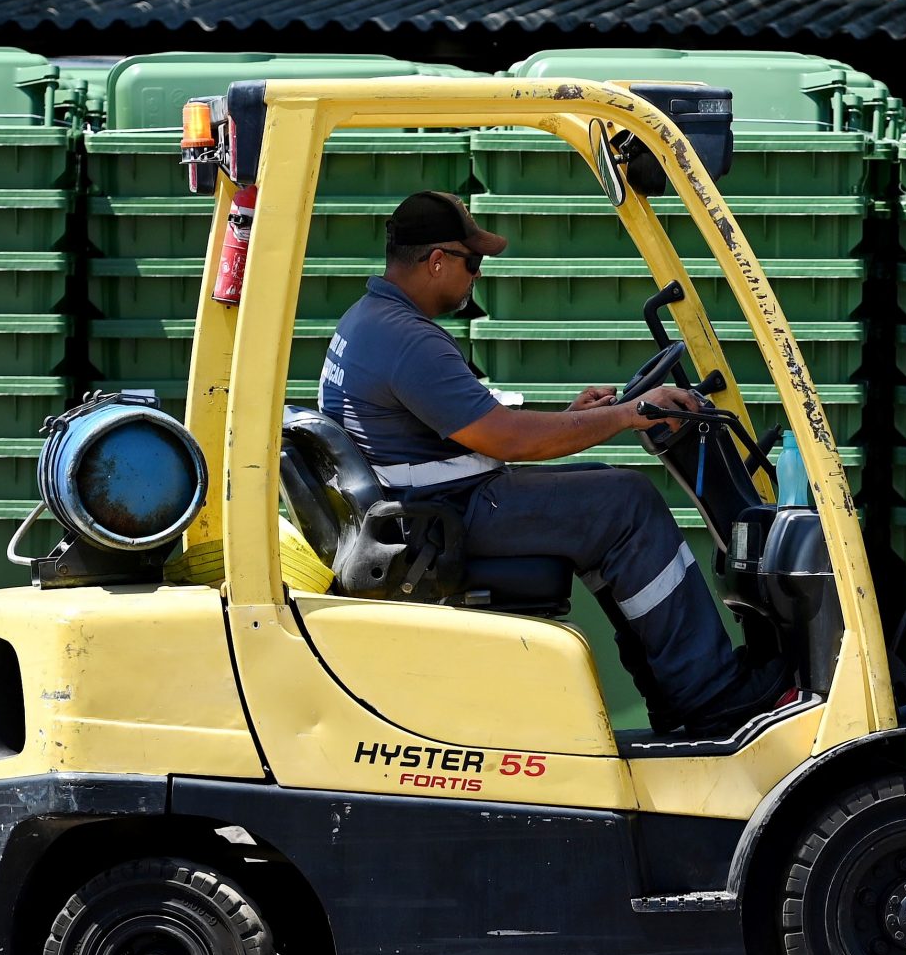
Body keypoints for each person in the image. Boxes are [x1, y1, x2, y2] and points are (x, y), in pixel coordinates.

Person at [318, 190, 786, 736]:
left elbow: (477, 428)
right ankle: (710, 696)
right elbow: (508, 438)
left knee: (605, 502)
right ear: (436, 260)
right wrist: (630, 414)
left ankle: (678, 690)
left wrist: (579, 417)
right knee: (627, 504)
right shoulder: (406, 340)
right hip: (446, 516)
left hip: (431, 504)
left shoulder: (371, 321)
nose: (477, 276)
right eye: (473, 263)